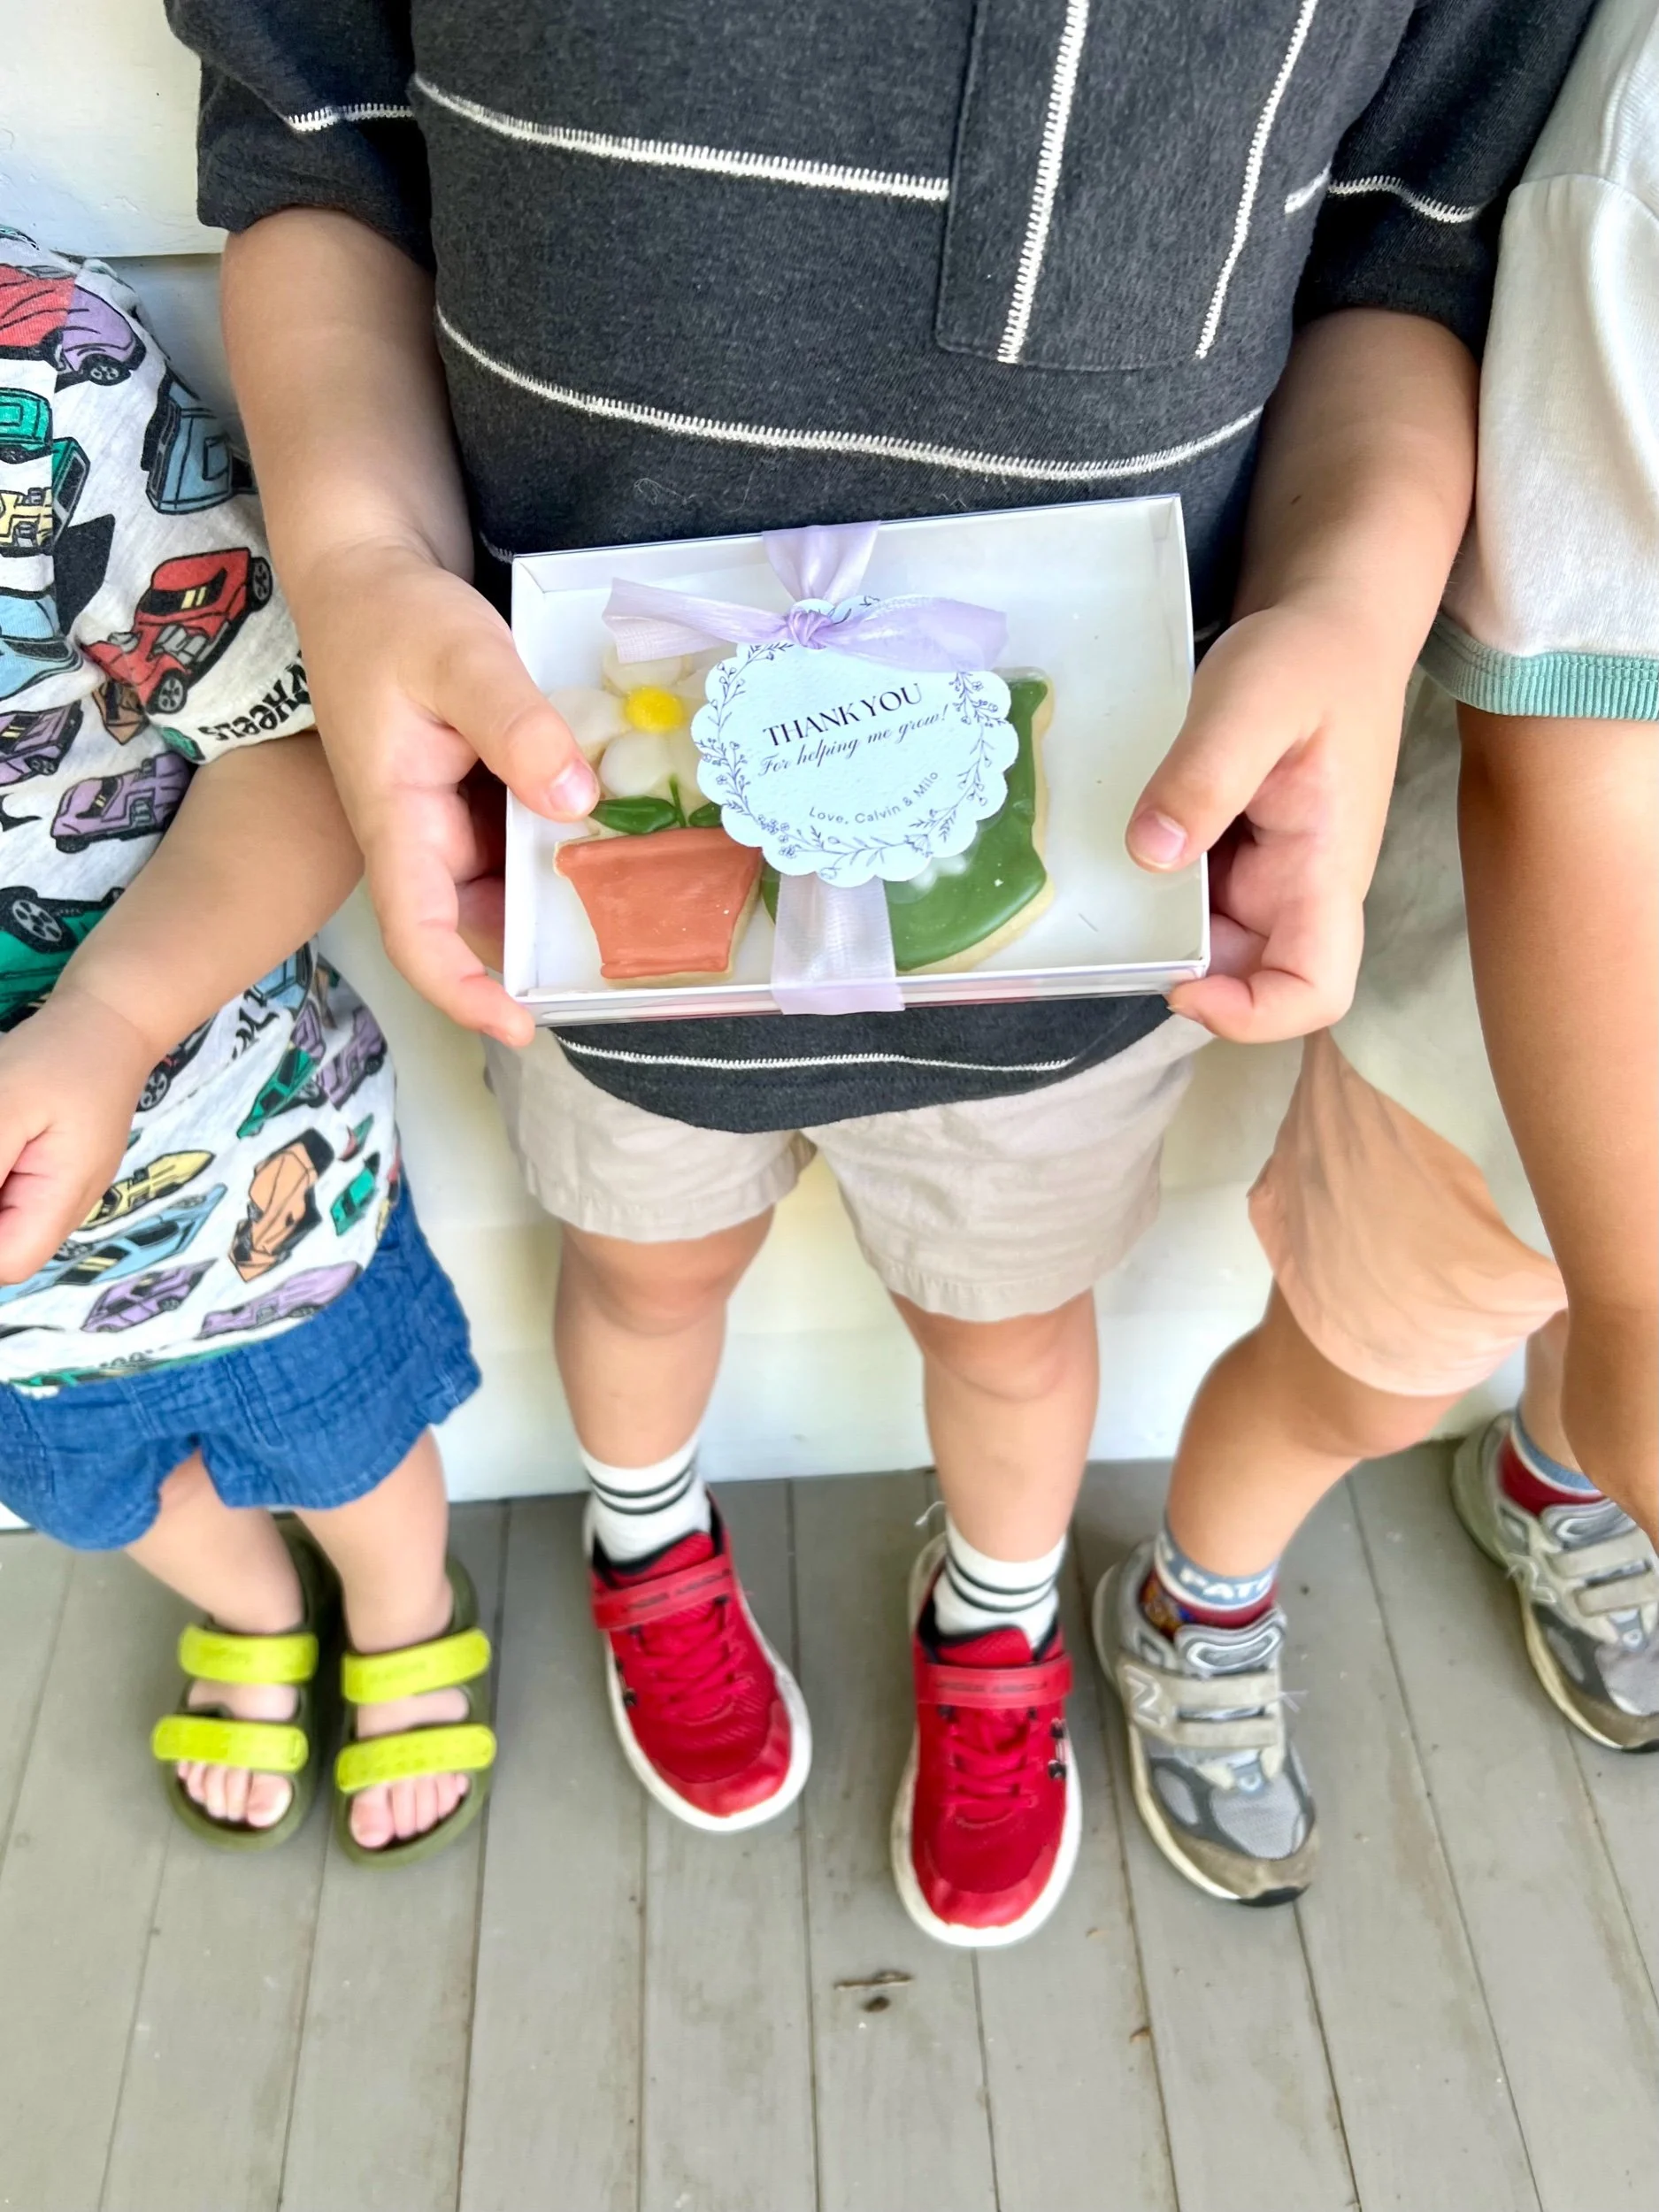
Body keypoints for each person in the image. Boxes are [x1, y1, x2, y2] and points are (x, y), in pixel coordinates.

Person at [169, 0, 1589, 1943]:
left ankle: (999, 1611)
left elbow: (1403, 241)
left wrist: (1349, 598)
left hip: (1073, 924)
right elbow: (312, 126)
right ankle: (643, 1534)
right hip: (599, 881)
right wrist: (349, 558)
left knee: (1011, 1333)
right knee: (644, 1273)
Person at [1093, 0, 1657, 1909]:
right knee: (1362, 1373)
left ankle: (1564, 1473)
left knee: (1591, 1365)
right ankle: (1195, 1592)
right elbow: (1569, 763)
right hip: (1514, 1042)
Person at [0, 239, 492, 1863]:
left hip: (235, 1165)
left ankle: (402, 1609)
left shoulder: (28, 378)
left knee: (353, 1448)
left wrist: (108, 1019)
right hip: (18, 1336)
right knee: (109, 1496)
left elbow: (298, 740)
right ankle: (255, 1612)